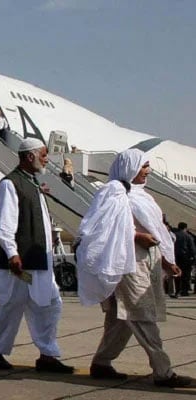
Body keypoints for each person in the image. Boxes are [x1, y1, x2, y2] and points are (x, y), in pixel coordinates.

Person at [77, 149, 191, 388]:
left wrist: (167, 261)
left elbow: (158, 230)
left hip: (146, 262)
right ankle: (163, 371)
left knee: (120, 320)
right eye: (143, 166)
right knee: (142, 315)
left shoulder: (142, 196)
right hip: (127, 264)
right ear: (130, 167)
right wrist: (136, 236)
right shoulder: (112, 193)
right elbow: (97, 230)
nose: (148, 170)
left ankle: (101, 363)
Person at [0, 138, 74, 373]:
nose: (46, 159)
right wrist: (12, 254)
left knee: (50, 305)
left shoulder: (32, 183)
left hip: (38, 262)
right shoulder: (10, 184)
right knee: (12, 306)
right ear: (30, 156)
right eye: (43, 155)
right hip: (20, 265)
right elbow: (6, 225)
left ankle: (47, 354)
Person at [175, 222, 195, 296]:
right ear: (185, 228)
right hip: (186, 257)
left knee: (177, 273)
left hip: (176, 257)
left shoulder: (175, 235)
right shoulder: (188, 236)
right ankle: (184, 291)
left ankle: (177, 290)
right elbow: (192, 248)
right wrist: (193, 257)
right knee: (186, 275)